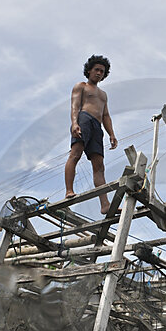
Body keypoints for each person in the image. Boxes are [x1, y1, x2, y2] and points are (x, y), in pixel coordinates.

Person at [65, 54, 118, 214]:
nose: (99, 73)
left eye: (102, 71)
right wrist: (75, 123)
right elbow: (74, 106)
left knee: (99, 166)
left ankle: (105, 205)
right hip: (84, 119)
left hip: (97, 126)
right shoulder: (81, 86)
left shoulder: (103, 94)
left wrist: (112, 134)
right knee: (75, 154)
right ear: (89, 71)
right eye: (96, 70)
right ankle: (69, 190)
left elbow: (106, 115)